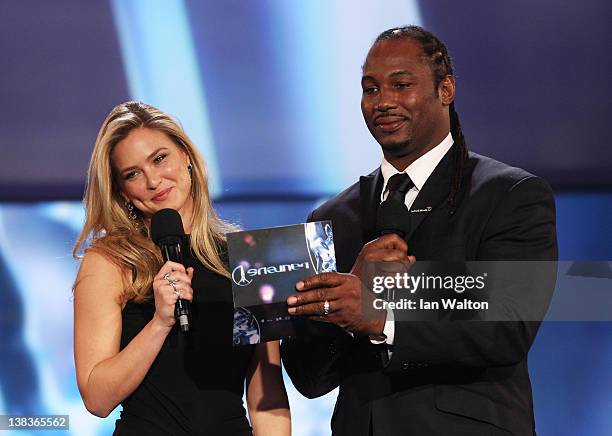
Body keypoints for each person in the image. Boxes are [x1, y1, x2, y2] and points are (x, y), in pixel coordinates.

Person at [281, 26, 557, 435]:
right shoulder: (331, 218)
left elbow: (508, 328)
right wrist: (348, 302)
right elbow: (309, 376)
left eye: (401, 84)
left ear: (445, 89)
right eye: (370, 89)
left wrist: (381, 318)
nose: (384, 102)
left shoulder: (511, 195)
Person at [73, 101, 291, 435]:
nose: (153, 180)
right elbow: (97, 399)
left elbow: (267, 388)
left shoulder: (249, 256)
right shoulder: (109, 261)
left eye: (160, 158)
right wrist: (159, 323)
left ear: (185, 155)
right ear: (123, 192)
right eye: (133, 174)